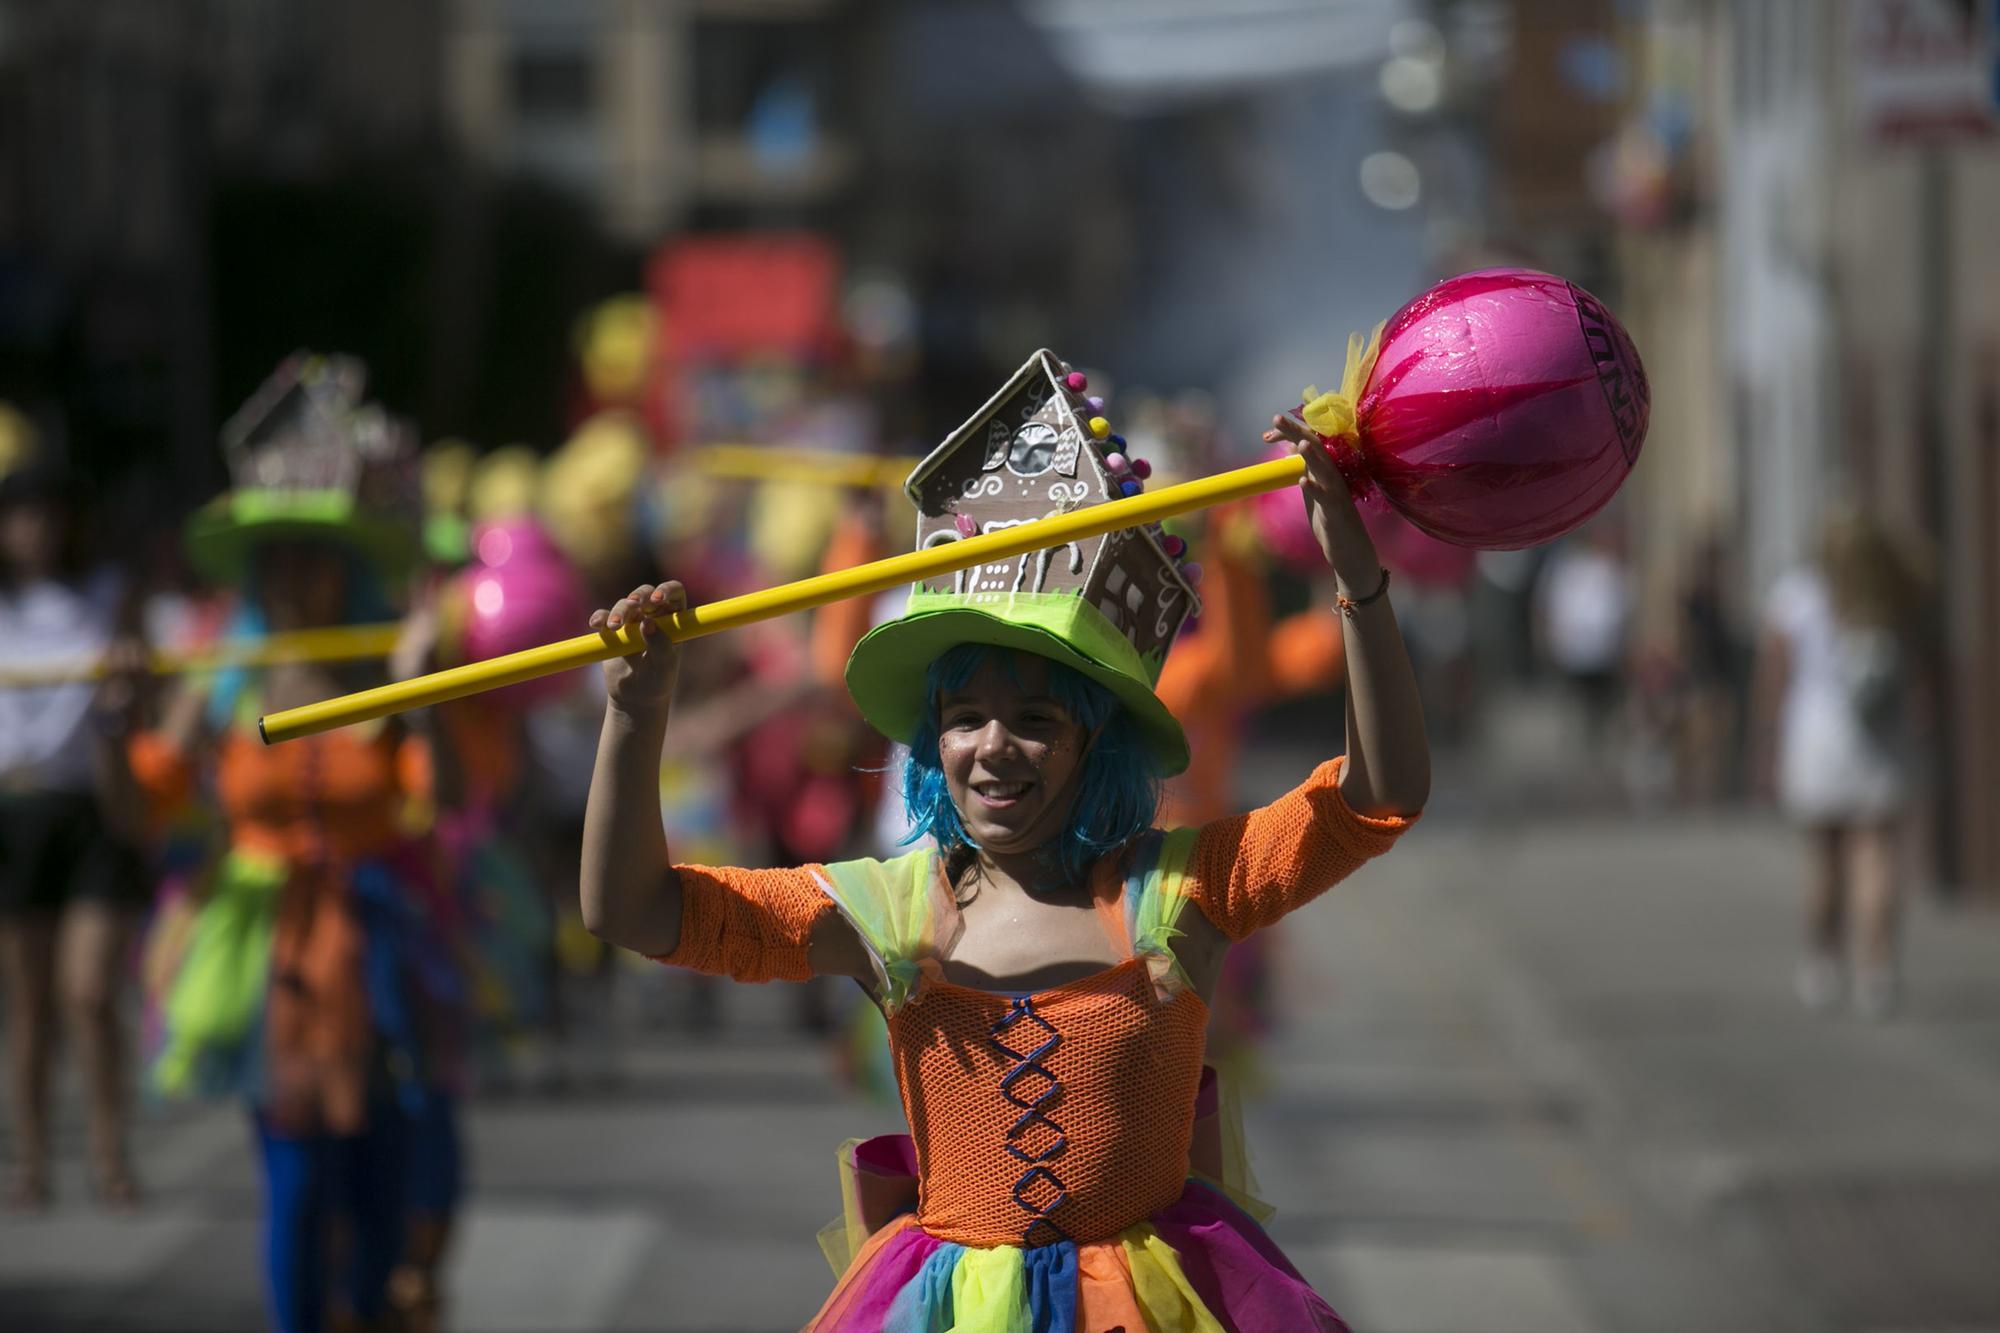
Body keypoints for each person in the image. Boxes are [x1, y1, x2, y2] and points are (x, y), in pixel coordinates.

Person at [581, 404, 1429, 1329]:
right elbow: (634, 911)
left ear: (1094, 742)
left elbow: (1376, 797)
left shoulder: (1182, 890)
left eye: (1035, 718)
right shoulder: (889, 911)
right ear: (929, 737)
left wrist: (1357, 579)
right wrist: (634, 716)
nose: (992, 748)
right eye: (963, 715)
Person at [129, 355, 464, 1333]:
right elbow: (149, 798)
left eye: (313, 553)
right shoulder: (221, 674)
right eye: (275, 554)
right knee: (292, 1178)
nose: (295, 573)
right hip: (261, 945)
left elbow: (433, 802)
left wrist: (424, 696)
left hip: (381, 939)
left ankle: (380, 1303)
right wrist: (122, 733)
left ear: (346, 564)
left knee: (383, 1170)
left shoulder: (382, 664)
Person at [0, 462, 150, 1211]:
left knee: (88, 993)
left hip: (90, 806)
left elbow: (142, 693)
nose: (37, 529)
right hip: (14, 811)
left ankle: (109, 1152)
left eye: (48, 513)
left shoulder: (105, 592)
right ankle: (31, 1162)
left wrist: (129, 693)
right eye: (22, 514)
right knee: (27, 1005)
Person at [1755, 508, 1930, 1020]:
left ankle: (1821, 963)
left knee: (1824, 858)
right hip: (1879, 742)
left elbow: (1775, 678)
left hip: (1814, 742)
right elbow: (1918, 675)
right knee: (1876, 855)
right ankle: (1877, 972)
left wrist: (1765, 745)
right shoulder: (1892, 594)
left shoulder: (1796, 596)